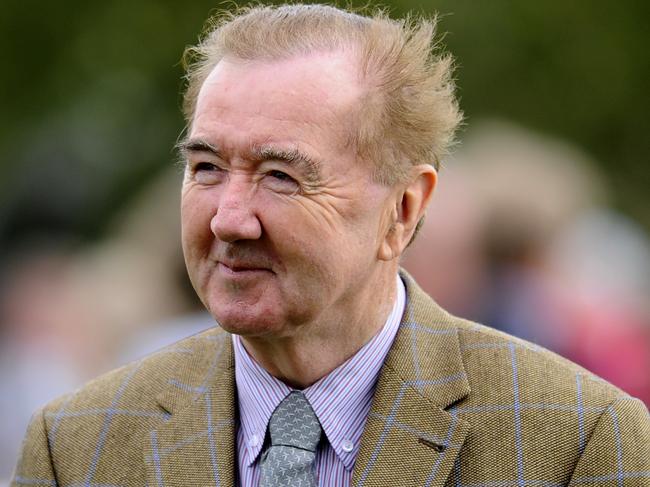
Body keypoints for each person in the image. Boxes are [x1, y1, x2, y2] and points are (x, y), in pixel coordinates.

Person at [12, 4, 649, 487]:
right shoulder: (75, 448)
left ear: (403, 209)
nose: (230, 219)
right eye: (206, 167)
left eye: (281, 176)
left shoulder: (580, 443)